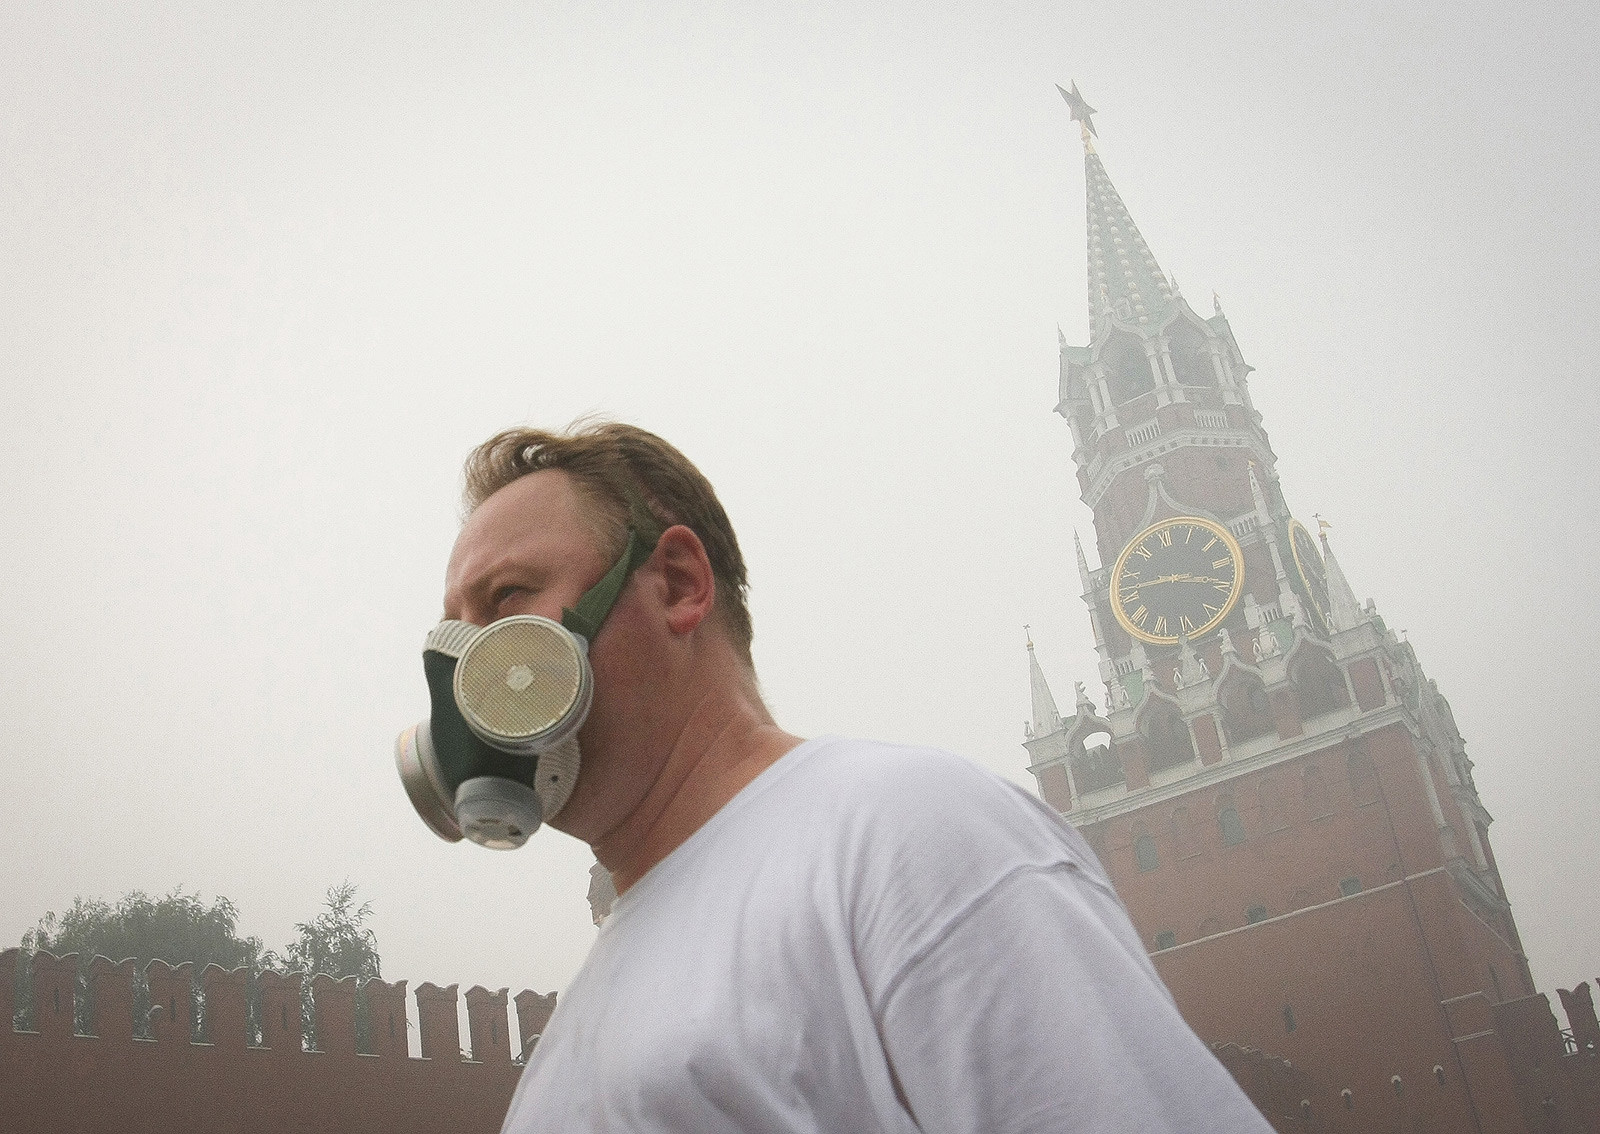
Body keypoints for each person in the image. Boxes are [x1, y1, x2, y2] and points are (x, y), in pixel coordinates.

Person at [435, 420, 1273, 1132]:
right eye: (453, 635)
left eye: (507, 600)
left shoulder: (904, 834)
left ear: (680, 585)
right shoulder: (574, 1031)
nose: (467, 671)